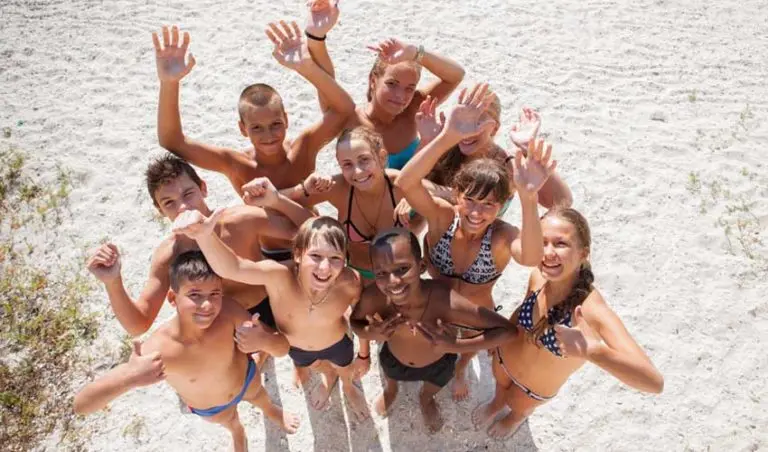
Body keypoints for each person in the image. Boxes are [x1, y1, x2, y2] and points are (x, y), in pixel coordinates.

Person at [395, 83, 556, 401]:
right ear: (456, 196)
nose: (476, 213)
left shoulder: (501, 236)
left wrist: (528, 198)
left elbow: (530, 257)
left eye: (488, 205)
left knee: (465, 349)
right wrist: (445, 136)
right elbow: (406, 182)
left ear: (501, 206)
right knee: (423, 345)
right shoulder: (443, 217)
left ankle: (460, 369)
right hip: (436, 301)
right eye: (469, 200)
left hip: (474, 311)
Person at [153, 22, 354, 261]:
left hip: (313, 245)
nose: (268, 135)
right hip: (271, 254)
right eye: (257, 128)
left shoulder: (304, 147)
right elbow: (172, 141)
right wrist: (169, 83)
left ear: (286, 120)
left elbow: (344, 110)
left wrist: (306, 67)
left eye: (275, 124)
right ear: (242, 129)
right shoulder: (236, 163)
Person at [74, 251, 300, 452]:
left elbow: (282, 348)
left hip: (247, 379)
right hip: (213, 407)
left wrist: (264, 340)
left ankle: (272, 411)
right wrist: (129, 378)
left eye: (214, 294)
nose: (207, 305)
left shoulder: (229, 311)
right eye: (195, 295)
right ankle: (237, 432)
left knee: (260, 396)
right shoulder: (160, 349)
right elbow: (81, 405)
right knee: (229, 420)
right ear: (173, 298)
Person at [471, 206, 664, 439]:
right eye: (542, 243)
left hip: (532, 390)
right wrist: (503, 334)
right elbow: (522, 312)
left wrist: (594, 351)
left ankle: (514, 419)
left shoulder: (590, 309)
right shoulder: (538, 277)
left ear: (583, 253)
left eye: (560, 244)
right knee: (500, 391)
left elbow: (654, 382)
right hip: (504, 361)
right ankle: (495, 405)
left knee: (517, 406)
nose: (548, 253)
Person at [172, 206, 371, 421]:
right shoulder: (279, 277)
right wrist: (205, 236)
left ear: (345, 259)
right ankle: (328, 375)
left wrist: (364, 354)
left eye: (335, 258)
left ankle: (348, 387)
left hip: (337, 342)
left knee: (345, 367)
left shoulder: (350, 282)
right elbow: (233, 267)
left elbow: (360, 318)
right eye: (315, 256)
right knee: (314, 365)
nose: (325, 267)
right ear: (297, 254)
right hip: (295, 346)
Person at [86, 155, 311, 339]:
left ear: (203, 188)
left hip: (272, 299)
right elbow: (139, 324)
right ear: (160, 211)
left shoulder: (239, 220)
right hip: (225, 322)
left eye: (188, 194)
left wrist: (277, 200)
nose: (183, 207)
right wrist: (113, 282)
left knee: (301, 340)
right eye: (169, 203)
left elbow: (313, 232)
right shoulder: (170, 255)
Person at [350, 228, 518, 433]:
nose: (393, 281)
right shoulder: (375, 297)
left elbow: (508, 331)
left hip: (437, 363)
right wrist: (372, 333)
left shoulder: (444, 300)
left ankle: (426, 398)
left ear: (421, 266)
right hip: (394, 356)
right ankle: (391, 390)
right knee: (391, 376)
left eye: (402, 268)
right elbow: (355, 322)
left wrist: (455, 345)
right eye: (381, 273)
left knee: (433, 385)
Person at [303, 0, 465, 169]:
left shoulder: (414, 109)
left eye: (409, 88)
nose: (401, 95)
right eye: (392, 84)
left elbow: (456, 75)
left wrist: (417, 53)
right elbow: (325, 80)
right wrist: (316, 38)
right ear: (373, 80)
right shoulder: (348, 118)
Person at [418, 97, 572, 217]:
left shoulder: (506, 164)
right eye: (463, 121)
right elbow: (407, 182)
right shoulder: (446, 148)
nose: (468, 130)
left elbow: (561, 202)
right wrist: (426, 143)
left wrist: (527, 148)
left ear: (495, 128)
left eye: (478, 123)